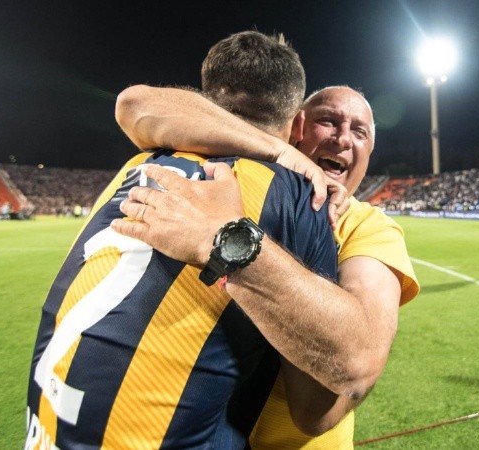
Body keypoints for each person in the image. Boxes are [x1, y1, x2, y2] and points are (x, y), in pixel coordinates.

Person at [25, 30, 339, 449]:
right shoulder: (299, 195)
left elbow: (134, 102)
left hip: (43, 431)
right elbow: (321, 398)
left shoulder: (137, 165)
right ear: (298, 124)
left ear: (207, 103)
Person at [112, 84, 420, 448]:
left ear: (369, 152)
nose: (342, 139)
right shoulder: (240, 181)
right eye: (327, 121)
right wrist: (275, 149)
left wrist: (226, 241)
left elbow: (328, 403)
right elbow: (134, 104)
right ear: (296, 127)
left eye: (359, 131)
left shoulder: (370, 227)